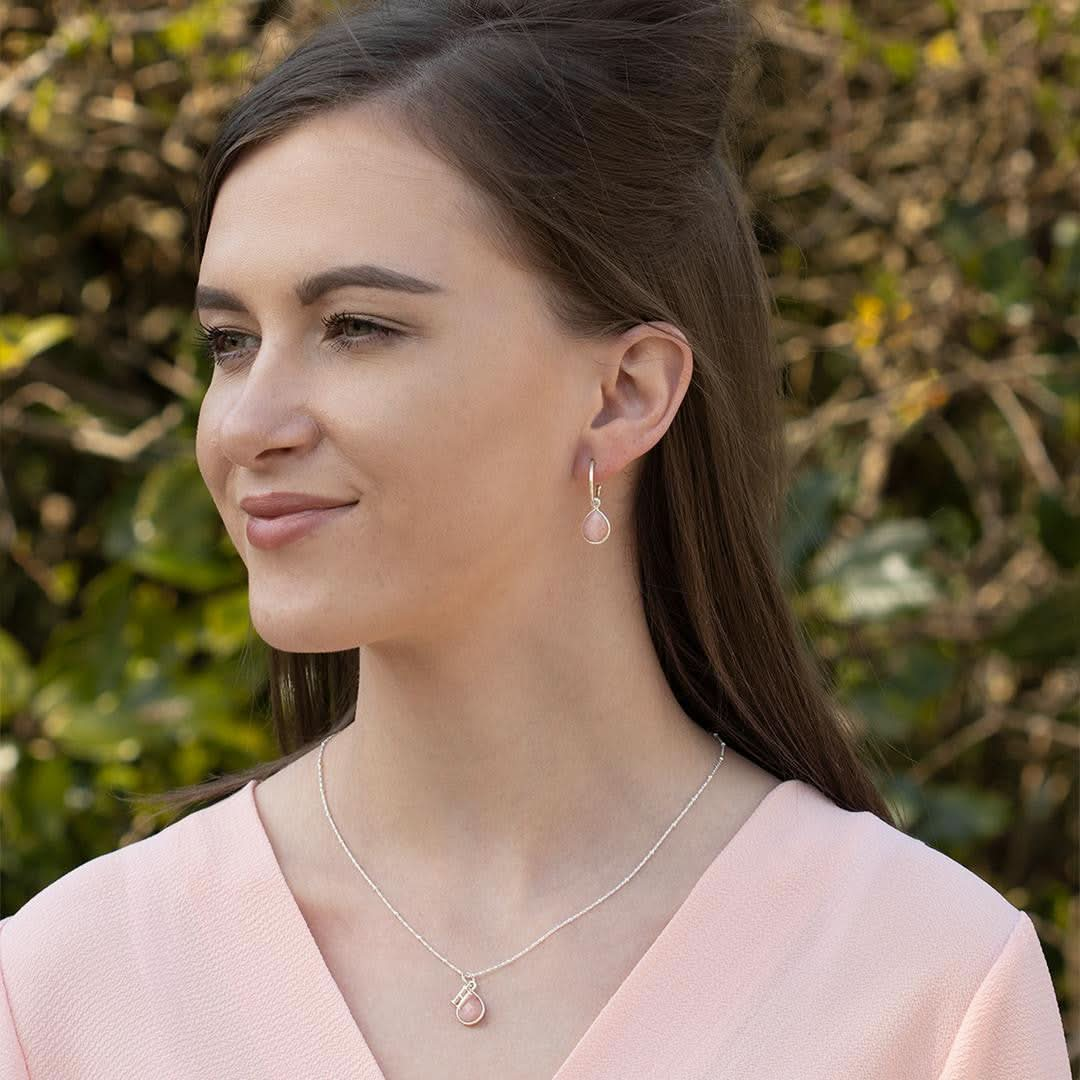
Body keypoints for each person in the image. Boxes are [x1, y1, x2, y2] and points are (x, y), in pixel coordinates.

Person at [1, 1, 1070, 1077]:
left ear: (621, 396)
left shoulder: (924, 987)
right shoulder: (65, 992)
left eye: (357, 327)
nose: (243, 427)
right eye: (231, 342)